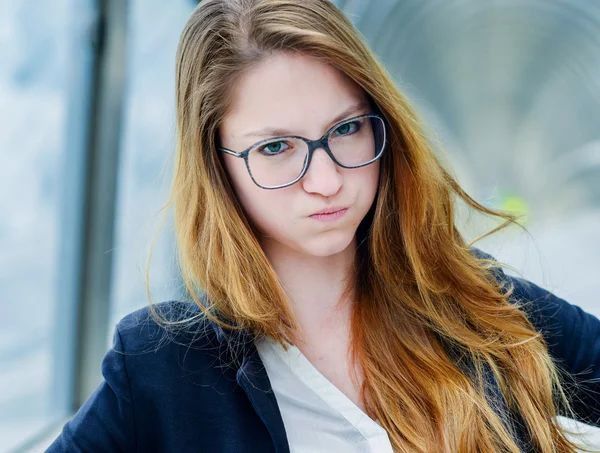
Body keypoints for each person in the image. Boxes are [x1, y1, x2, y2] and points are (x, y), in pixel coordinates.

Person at [47, 0, 600, 452]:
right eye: (277, 147)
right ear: (217, 167)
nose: (327, 179)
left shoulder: (474, 303)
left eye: (347, 129)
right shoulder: (160, 368)